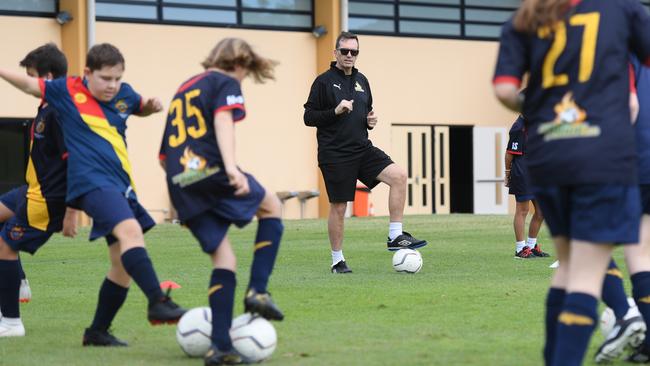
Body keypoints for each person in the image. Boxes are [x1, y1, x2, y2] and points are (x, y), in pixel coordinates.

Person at [493, 1, 650, 365]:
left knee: (567, 265)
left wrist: (542, 108)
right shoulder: (619, 10)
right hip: (601, 157)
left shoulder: (525, 16)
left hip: (549, 156)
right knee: (585, 275)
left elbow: (504, 90)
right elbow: (630, 105)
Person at [0, 43, 187, 346]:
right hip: (92, 184)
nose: (112, 85)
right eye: (105, 78)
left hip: (121, 184)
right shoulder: (66, 92)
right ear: (87, 73)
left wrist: (150, 108)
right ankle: (157, 300)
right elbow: (28, 84)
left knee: (122, 263)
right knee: (130, 234)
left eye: (117, 78)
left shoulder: (124, 93)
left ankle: (98, 331)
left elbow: (137, 105)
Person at [159, 38, 284, 366]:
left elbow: (163, 155)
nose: (242, 81)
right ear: (239, 63)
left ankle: (220, 348)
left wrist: (180, 198)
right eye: (246, 73)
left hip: (180, 183)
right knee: (272, 205)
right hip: (211, 170)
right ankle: (258, 290)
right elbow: (223, 121)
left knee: (224, 260)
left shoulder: (184, 87)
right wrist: (230, 169)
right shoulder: (225, 81)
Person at [303, 31, 427, 274]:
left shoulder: (362, 81)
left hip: (362, 148)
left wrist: (369, 121)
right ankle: (337, 260)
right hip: (335, 153)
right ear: (335, 52)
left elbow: (365, 111)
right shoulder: (323, 82)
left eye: (354, 52)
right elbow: (308, 117)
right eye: (345, 51)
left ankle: (395, 236)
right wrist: (335, 111)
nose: (350, 55)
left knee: (399, 176)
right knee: (340, 207)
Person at [0, 43, 78, 337]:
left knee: (5, 247)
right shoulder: (46, 106)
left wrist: (71, 211)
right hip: (30, 190)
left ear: (46, 76)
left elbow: (76, 163)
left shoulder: (61, 111)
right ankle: (16, 281)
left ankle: (10, 322)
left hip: (47, 199)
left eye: (31, 76)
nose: (27, 82)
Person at [505, 115, 549, 259]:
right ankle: (520, 249)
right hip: (523, 173)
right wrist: (507, 173)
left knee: (541, 211)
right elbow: (509, 153)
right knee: (522, 210)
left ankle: (531, 246)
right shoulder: (518, 127)